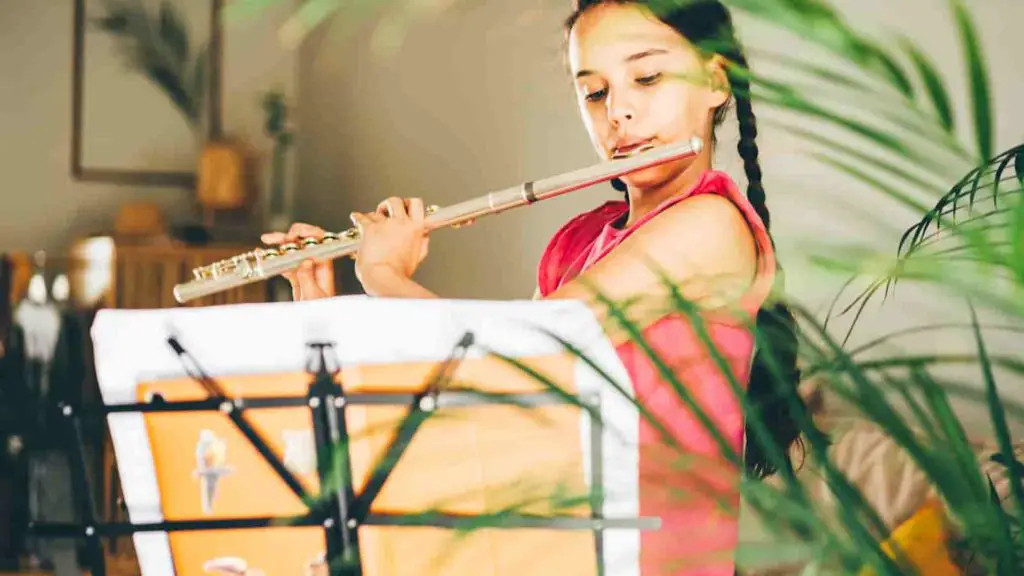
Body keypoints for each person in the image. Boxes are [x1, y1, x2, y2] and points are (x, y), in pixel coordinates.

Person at [262, 1, 804, 574]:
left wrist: (386, 278)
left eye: (647, 77)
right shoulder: (580, 238)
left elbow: (527, 357)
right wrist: (320, 316)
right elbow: (489, 401)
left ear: (716, 81)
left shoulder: (711, 225)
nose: (619, 110)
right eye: (594, 92)